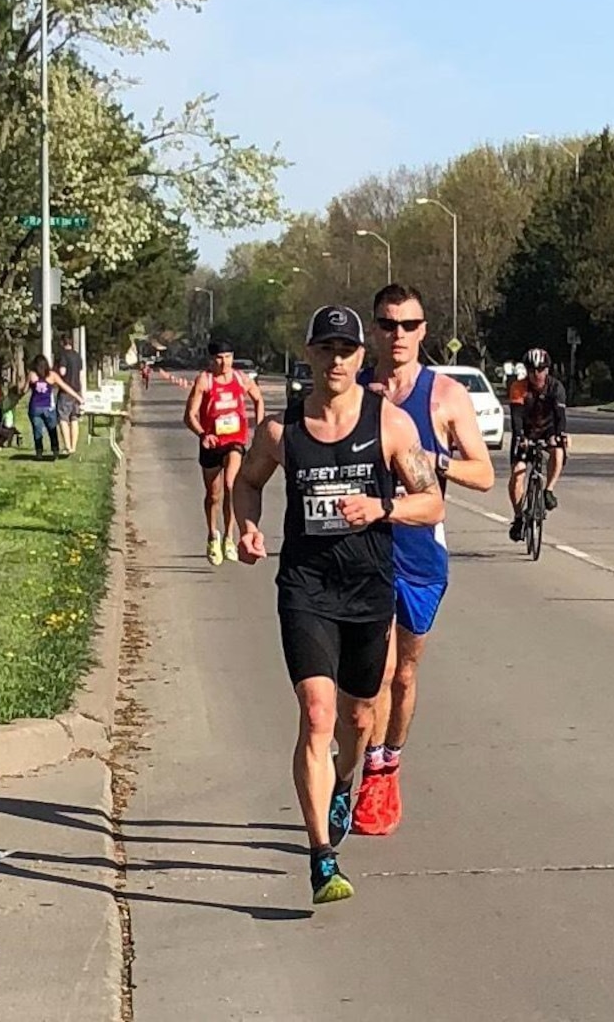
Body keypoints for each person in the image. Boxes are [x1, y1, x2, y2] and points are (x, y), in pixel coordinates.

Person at [232, 305, 445, 906]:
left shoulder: (391, 425)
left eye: (346, 350)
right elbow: (248, 482)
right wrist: (246, 527)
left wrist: (383, 509)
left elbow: (431, 505)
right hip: (306, 588)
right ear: (309, 354)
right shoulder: (282, 431)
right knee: (318, 710)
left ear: (360, 357)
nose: (335, 360)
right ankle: (322, 857)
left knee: (357, 720)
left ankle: (343, 781)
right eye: (324, 349)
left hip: (368, 590)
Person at [350, 285, 494, 836]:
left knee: (404, 674)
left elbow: (483, 474)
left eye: (408, 325)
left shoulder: (445, 396)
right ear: (375, 330)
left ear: (424, 330)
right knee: (375, 673)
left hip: (419, 556)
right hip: (364, 553)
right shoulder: (357, 389)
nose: (398, 335)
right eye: (388, 325)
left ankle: (387, 763)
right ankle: (364, 771)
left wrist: (438, 461)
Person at [184, 339, 265, 566]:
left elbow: (258, 398)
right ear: (211, 359)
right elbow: (189, 416)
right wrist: (202, 434)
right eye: (220, 358)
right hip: (211, 442)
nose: (225, 362)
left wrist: (259, 429)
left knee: (231, 485)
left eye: (228, 357)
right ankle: (213, 535)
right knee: (213, 495)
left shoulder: (240, 378)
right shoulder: (205, 380)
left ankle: (229, 537)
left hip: (235, 441)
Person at [508, 347, 570, 541]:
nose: (537, 374)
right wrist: (520, 437)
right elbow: (516, 417)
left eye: (541, 369)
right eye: (532, 370)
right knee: (518, 474)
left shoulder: (555, 387)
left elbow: (560, 416)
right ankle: (519, 518)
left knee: (558, 450)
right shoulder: (519, 387)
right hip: (526, 432)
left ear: (547, 370)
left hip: (548, 429)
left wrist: (559, 435)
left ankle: (548, 490)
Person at [24, 356, 80, 460]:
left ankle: (39, 453)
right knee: (52, 430)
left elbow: (24, 389)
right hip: (48, 408)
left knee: (37, 431)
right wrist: (77, 397)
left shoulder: (32, 375)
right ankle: (55, 451)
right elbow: (64, 386)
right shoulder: (52, 375)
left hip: (35, 407)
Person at [55, 334, 85, 456]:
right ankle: (73, 446)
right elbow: (81, 373)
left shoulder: (63, 356)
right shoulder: (78, 356)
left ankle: (67, 446)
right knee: (74, 418)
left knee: (63, 418)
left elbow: (62, 371)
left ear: (62, 343)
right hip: (77, 390)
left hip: (66, 390)